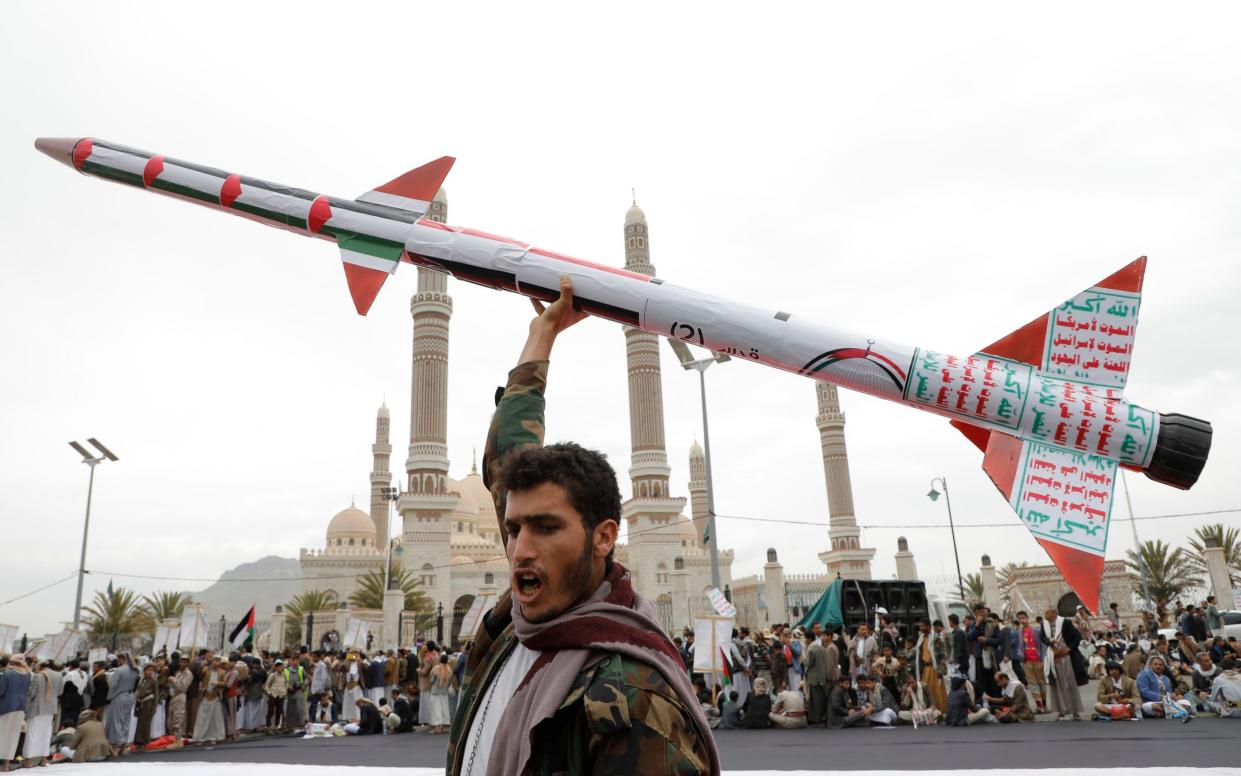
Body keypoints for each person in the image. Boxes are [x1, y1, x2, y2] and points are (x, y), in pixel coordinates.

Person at [445, 277, 716, 776]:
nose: (521, 549)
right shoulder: (514, 632)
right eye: (513, 529)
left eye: (546, 528)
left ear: (604, 537)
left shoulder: (629, 699)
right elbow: (507, 457)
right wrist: (542, 333)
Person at [1040, 608, 1085, 721]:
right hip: (1053, 658)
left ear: (1054, 613)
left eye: (1047, 612)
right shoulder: (1044, 624)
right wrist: (1049, 641)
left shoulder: (1065, 622)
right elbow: (1042, 638)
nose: (1045, 615)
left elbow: (1077, 636)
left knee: (1070, 684)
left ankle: (1075, 711)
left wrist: (1069, 648)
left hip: (1066, 658)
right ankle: (1061, 711)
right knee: (1057, 685)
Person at [1137, 655, 1193, 719]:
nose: (1158, 666)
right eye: (1155, 664)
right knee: (1150, 706)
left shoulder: (1166, 679)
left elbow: (1169, 693)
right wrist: (1161, 697)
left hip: (1166, 703)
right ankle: (1176, 711)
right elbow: (1144, 691)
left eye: (1160, 665)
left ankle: (1167, 712)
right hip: (1150, 702)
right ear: (1150, 665)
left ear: (1163, 667)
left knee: (1186, 702)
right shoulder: (1144, 674)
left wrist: (1174, 696)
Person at [0, 656, 31, 772]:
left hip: (6, 707)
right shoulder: (27, 675)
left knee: (2, 735)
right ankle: (6, 765)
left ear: (11, 662)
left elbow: (1, 691)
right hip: (20, 708)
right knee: (13, 737)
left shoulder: (7, 674)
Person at [105, 653, 138, 755]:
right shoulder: (135, 670)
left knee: (116, 721)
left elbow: (113, 685)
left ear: (121, 659)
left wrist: (109, 696)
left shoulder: (119, 670)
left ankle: (115, 745)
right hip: (130, 696)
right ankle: (123, 745)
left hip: (120, 695)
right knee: (126, 721)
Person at [913, 618, 947, 713]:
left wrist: (940, 670)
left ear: (928, 626)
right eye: (920, 626)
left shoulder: (936, 638)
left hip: (934, 669)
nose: (920, 628)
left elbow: (943, 655)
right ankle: (928, 712)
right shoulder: (921, 638)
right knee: (925, 691)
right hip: (924, 669)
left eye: (922, 626)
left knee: (936, 691)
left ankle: (940, 711)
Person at [191, 657, 226, 744]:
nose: (215, 663)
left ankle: (214, 737)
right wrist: (202, 666)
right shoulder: (206, 670)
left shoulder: (222, 672)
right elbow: (200, 675)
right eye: (214, 661)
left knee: (215, 718)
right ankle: (200, 737)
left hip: (215, 696)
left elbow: (224, 683)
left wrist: (218, 683)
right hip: (206, 696)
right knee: (203, 718)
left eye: (217, 661)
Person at [802, 632, 830, 725]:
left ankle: (815, 718)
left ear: (809, 639)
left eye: (805, 639)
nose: (804, 641)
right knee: (821, 698)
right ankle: (822, 716)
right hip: (822, 677)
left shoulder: (812, 650)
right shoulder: (823, 649)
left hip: (814, 678)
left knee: (814, 700)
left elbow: (807, 663)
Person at [427, 654, 455, 734]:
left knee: (436, 709)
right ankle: (442, 727)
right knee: (444, 709)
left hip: (436, 691)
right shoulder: (449, 669)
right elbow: (450, 680)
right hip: (444, 691)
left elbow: (432, 680)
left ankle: (437, 728)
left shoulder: (436, 668)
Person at [133, 662, 159, 748]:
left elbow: (156, 694)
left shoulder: (153, 681)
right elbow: (139, 692)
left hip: (148, 703)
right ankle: (138, 741)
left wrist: (154, 707)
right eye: (148, 670)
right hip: (141, 703)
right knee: (140, 723)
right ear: (144, 671)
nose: (150, 672)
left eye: (152, 670)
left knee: (146, 723)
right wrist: (137, 705)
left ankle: (145, 741)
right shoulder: (142, 680)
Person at [59, 661, 89, 731]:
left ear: (71, 666)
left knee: (66, 718)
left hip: (69, 700)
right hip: (79, 699)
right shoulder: (84, 674)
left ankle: (65, 732)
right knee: (75, 718)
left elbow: (63, 688)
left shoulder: (70, 675)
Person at [264, 659, 288, 731]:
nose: (279, 668)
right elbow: (267, 685)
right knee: (270, 711)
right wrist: (269, 693)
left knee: (279, 711)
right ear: (275, 667)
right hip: (273, 694)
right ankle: (268, 726)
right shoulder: (272, 675)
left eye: (280, 666)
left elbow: (286, 683)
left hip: (281, 695)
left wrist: (285, 691)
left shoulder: (284, 675)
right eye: (278, 666)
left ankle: (276, 725)